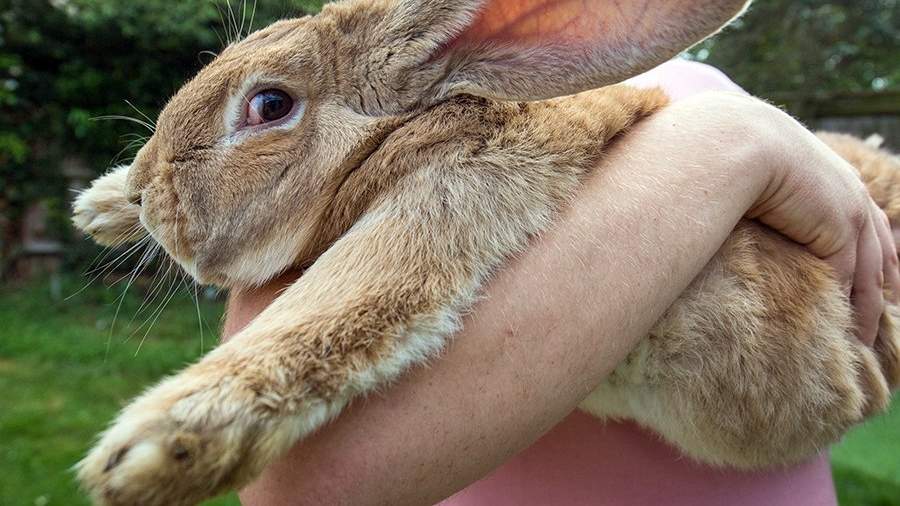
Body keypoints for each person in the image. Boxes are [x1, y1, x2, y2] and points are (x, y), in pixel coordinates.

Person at [223, 60, 899, 506]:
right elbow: (287, 477)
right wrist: (734, 147)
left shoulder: (703, 82)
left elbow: (867, 282)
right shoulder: (371, 109)